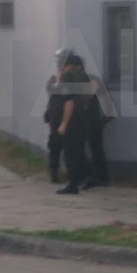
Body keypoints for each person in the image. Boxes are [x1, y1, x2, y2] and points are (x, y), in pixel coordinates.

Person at [55, 52, 92, 195]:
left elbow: (68, 101)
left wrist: (64, 123)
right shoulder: (82, 75)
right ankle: (85, 176)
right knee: (79, 150)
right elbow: (88, 96)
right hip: (82, 117)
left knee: (70, 153)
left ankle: (73, 184)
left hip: (71, 119)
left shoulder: (68, 77)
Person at [85, 71, 118, 189]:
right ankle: (100, 177)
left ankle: (97, 177)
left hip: (90, 121)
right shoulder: (91, 80)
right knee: (95, 150)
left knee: (95, 150)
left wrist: (103, 121)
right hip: (90, 121)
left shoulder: (90, 81)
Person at [43, 50, 69, 184]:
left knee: (69, 147)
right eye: (59, 61)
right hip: (54, 117)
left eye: (61, 61)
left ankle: (71, 174)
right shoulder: (55, 79)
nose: (59, 64)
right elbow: (50, 91)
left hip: (66, 118)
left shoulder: (70, 80)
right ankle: (54, 173)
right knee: (54, 147)